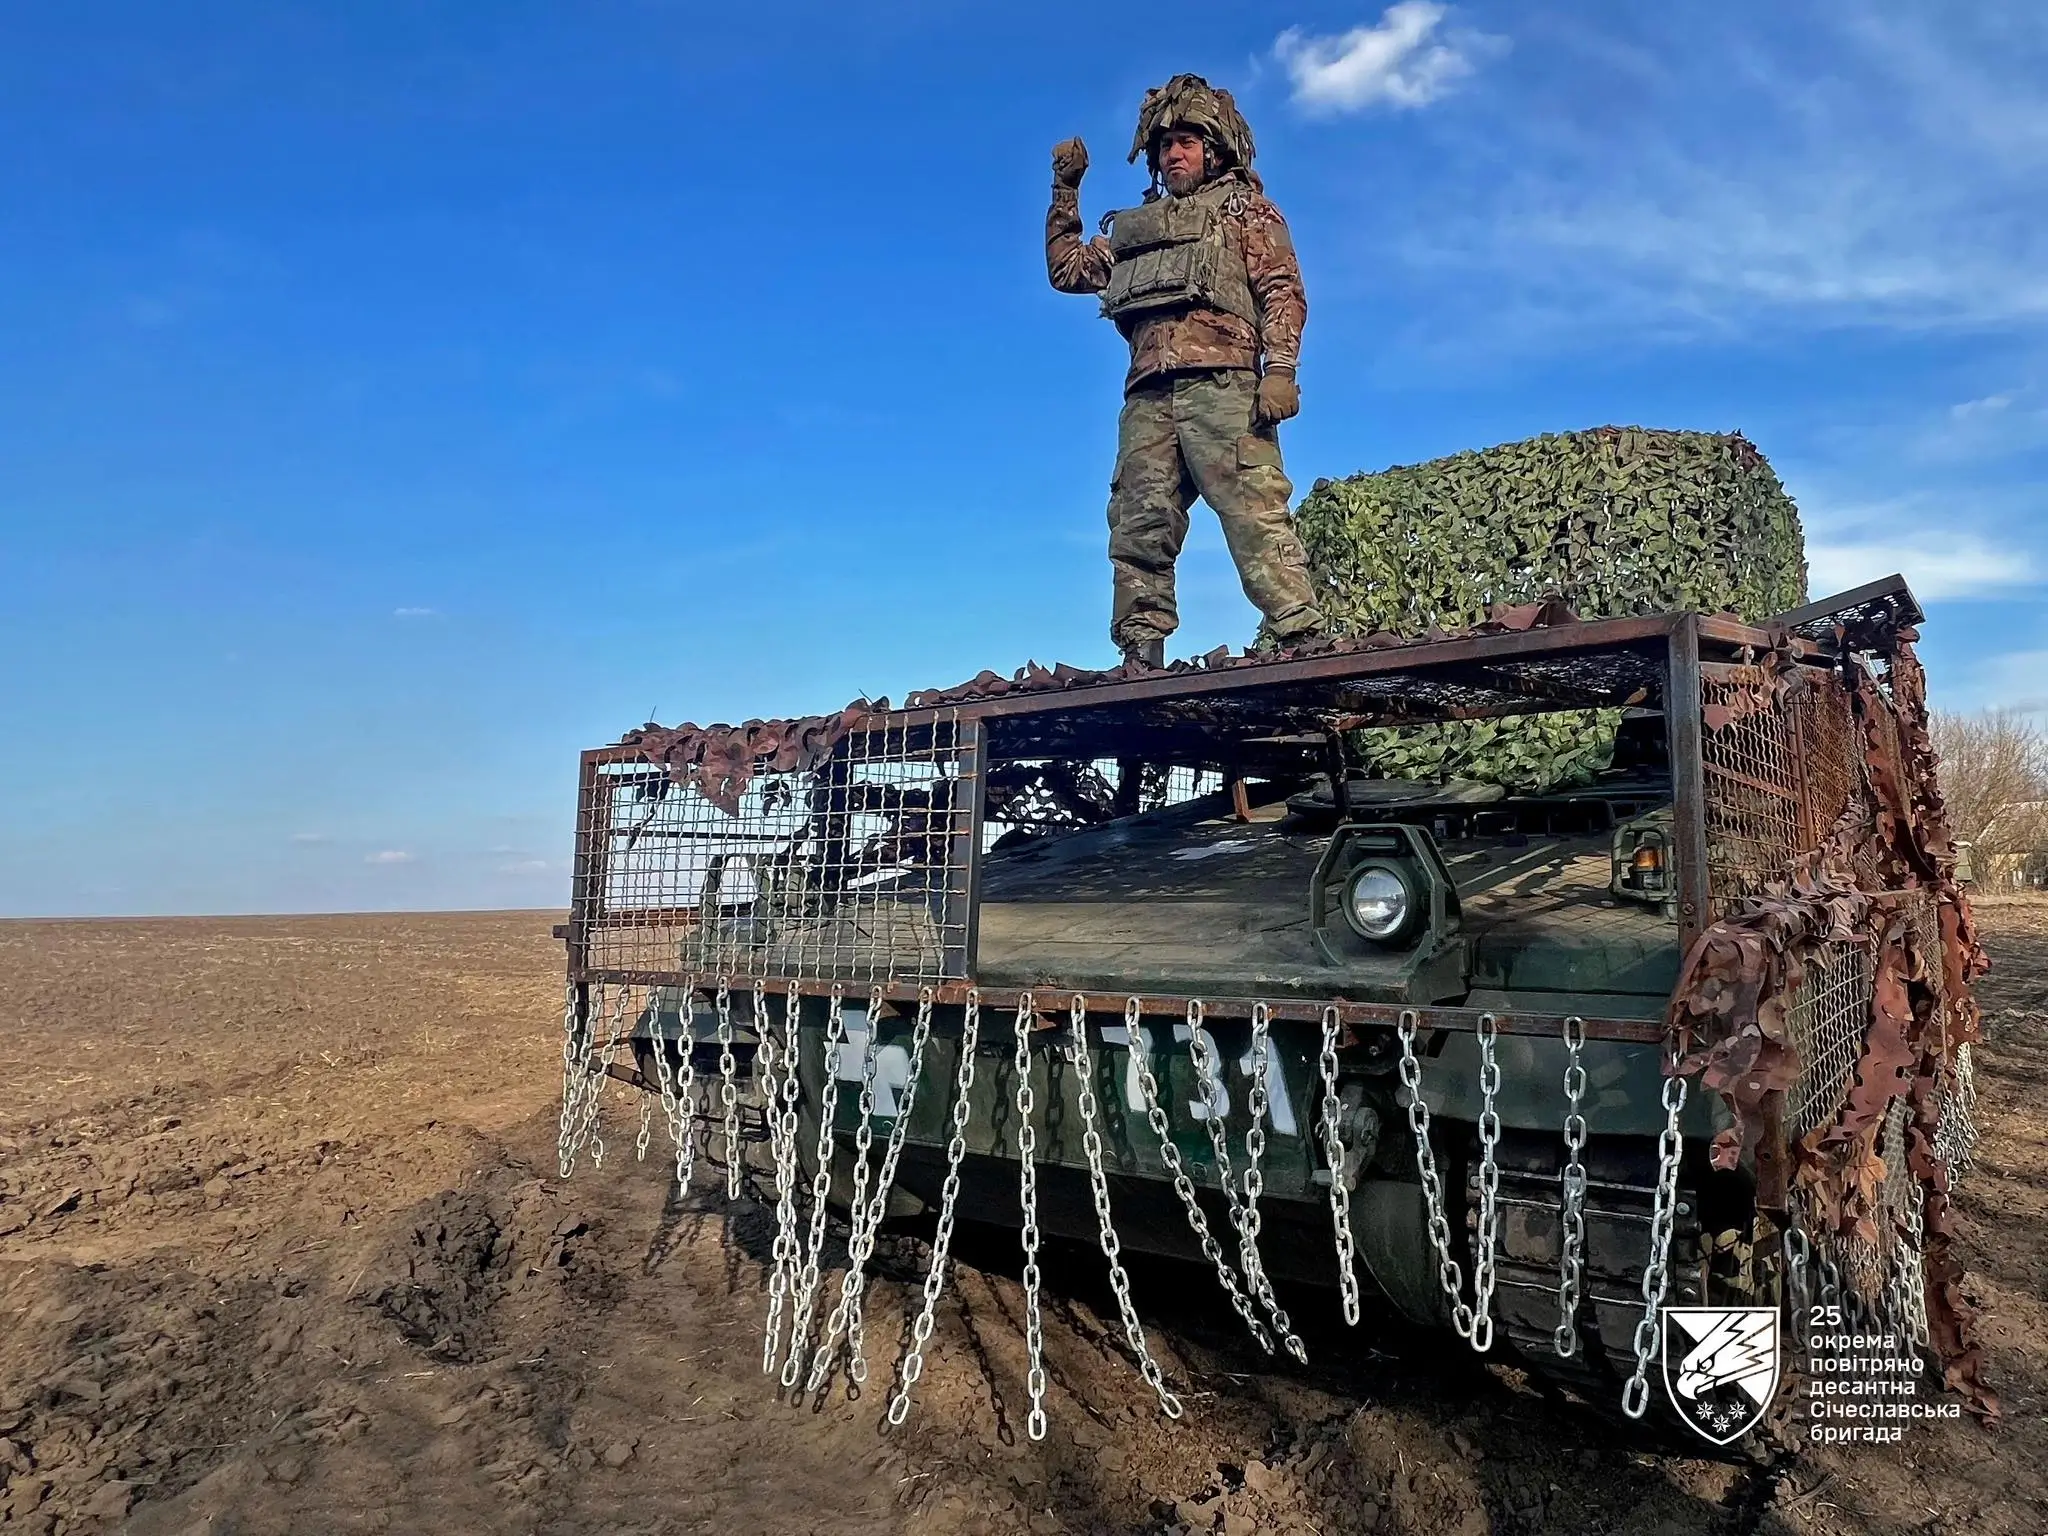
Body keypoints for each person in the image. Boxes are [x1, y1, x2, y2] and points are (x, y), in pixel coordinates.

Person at [1047, 73, 1327, 668]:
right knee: (1138, 524)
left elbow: (1282, 289)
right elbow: (1069, 272)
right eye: (1165, 145)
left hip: (1225, 386)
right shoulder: (1135, 230)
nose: (1174, 154)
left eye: (1187, 142)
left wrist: (1280, 368)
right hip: (1148, 394)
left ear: (1215, 149)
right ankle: (1140, 651)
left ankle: (1302, 634)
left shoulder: (1244, 211)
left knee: (1253, 510)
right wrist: (1065, 191)